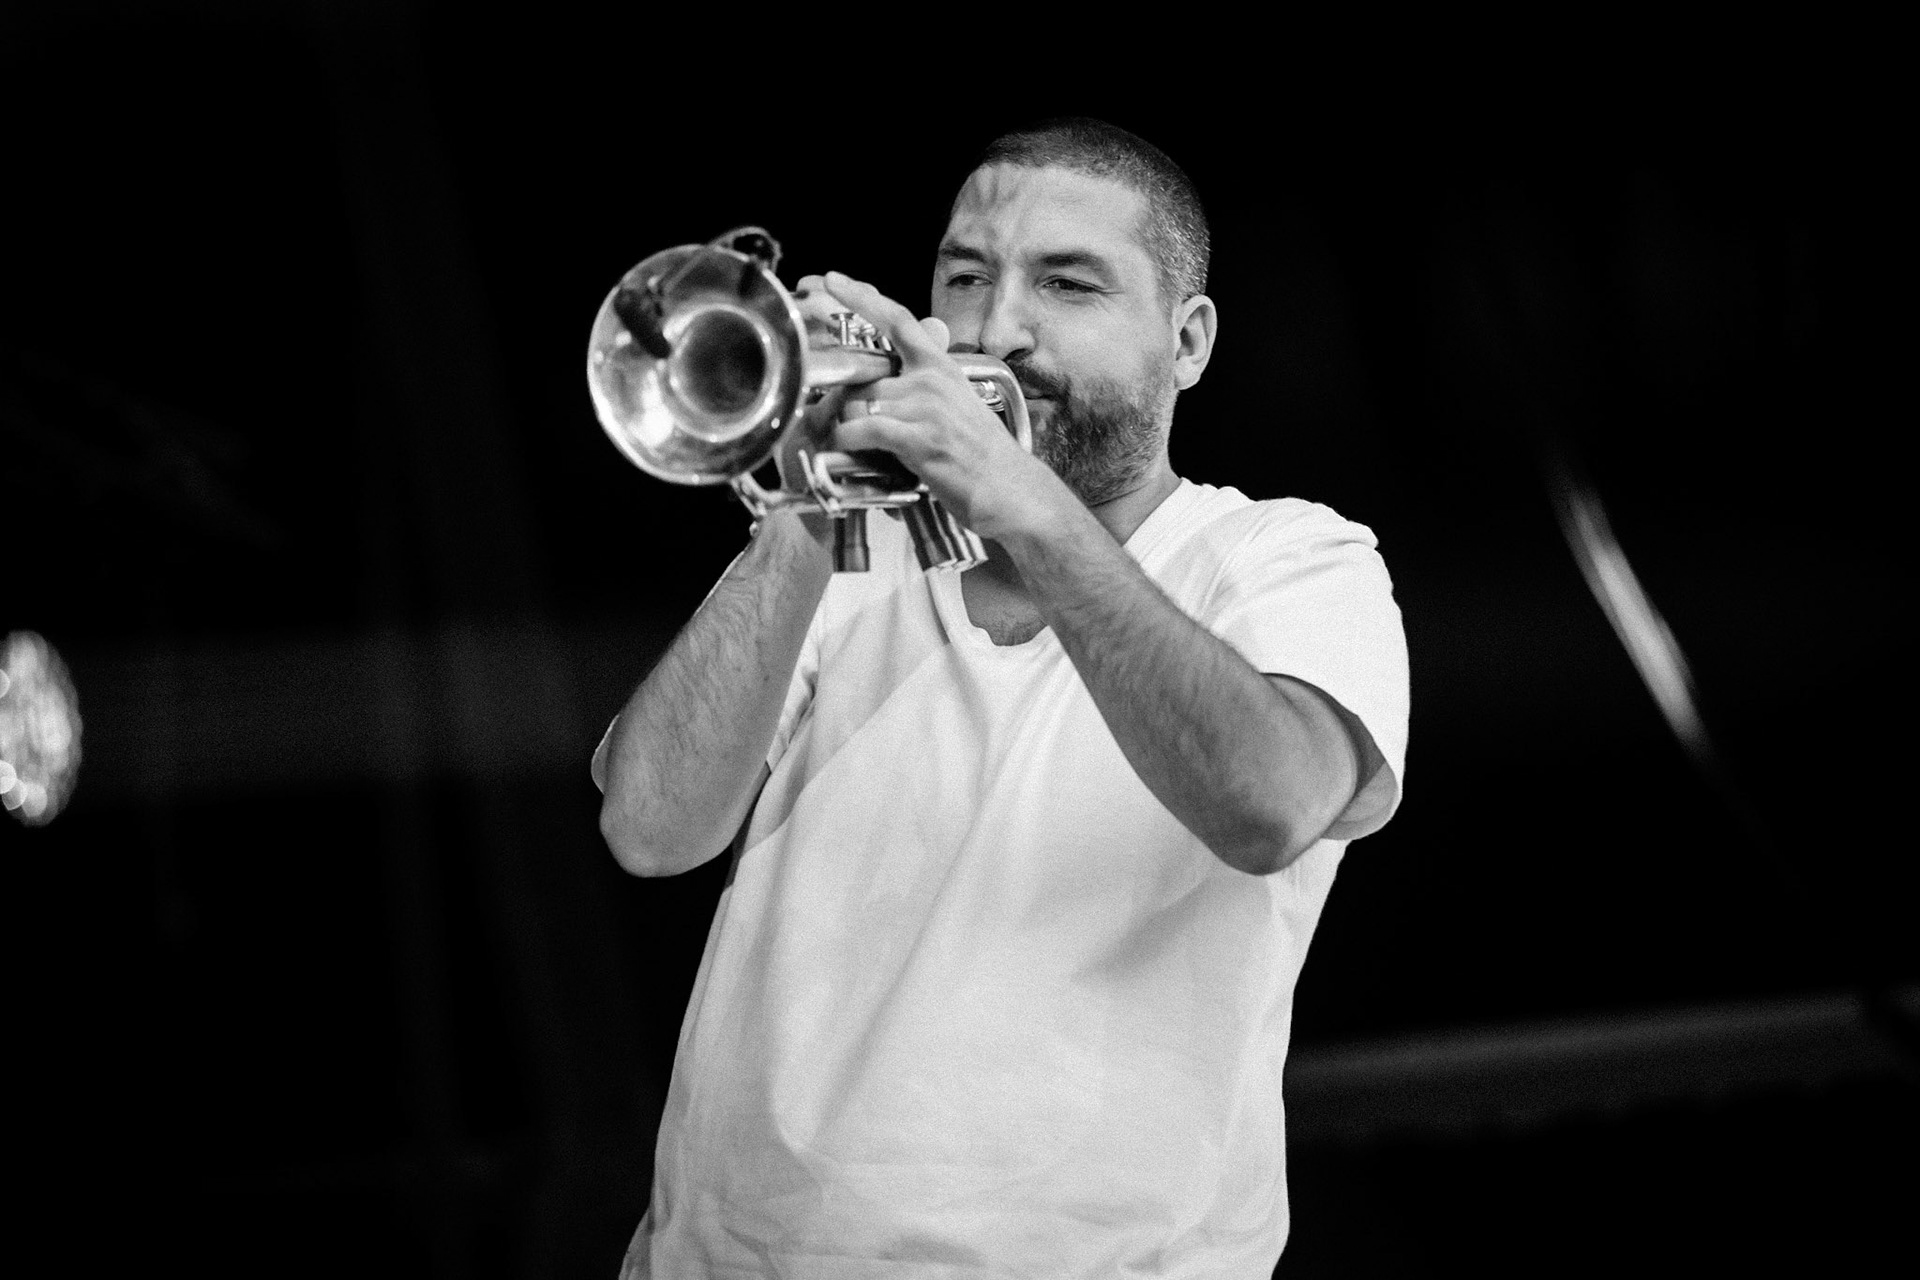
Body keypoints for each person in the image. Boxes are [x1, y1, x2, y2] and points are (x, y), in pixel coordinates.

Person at [593, 117, 1409, 1278]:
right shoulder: (838, 548)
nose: (996, 328)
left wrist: (1012, 491)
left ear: (1188, 342)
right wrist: (805, 512)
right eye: (964, 276)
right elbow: (649, 827)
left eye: (1066, 284)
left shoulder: (1286, 557)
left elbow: (1273, 801)